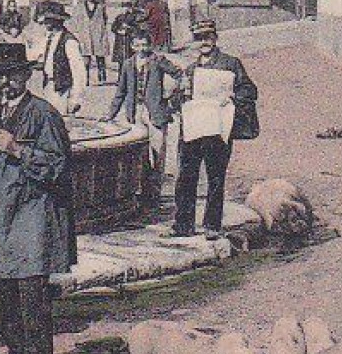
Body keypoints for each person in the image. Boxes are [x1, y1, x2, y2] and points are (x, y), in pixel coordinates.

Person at [0, 42, 77, 354]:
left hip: (32, 215)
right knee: (7, 293)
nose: (4, 83)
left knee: (33, 294)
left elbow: (58, 166)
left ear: (25, 76)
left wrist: (18, 150)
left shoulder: (43, 114)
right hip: (1, 219)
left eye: (11, 76)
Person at [172, 20, 258, 239]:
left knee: (215, 177)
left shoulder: (231, 64)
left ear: (215, 38)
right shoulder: (190, 70)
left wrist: (232, 97)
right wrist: (179, 93)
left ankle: (212, 226)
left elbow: (249, 90)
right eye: (200, 38)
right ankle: (183, 225)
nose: (204, 42)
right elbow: (176, 102)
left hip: (219, 129)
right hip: (193, 129)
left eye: (208, 37)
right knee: (186, 177)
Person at [105, 24, 182, 202]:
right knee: (139, 151)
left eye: (144, 45)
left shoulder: (158, 60)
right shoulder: (128, 64)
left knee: (157, 152)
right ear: (132, 46)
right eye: (137, 45)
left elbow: (179, 74)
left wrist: (171, 96)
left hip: (155, 112)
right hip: (135, 112)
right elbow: (121, 91)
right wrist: (111, 114)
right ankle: (140, 190)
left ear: (150, 45)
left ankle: (154, 193)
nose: (141, 49)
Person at [34, 0, 87, 117]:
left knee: (59, 123)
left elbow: (79, 72)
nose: (45, 23)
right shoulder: (49, 38)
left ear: (57, 21)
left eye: (48, 19)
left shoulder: (69, 41)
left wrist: (76, 98)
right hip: (49, 86)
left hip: (62, 90)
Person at [75, 0, 111, 85]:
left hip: (98, 34)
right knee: (86, 58)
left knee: (100, 56)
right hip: (85, 35)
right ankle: (85, 78)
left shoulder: (100, 6)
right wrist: (79, 32)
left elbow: (104, 19)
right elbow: (78, 20)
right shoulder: (81, 7)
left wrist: (101, 31)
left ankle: (102, 77)